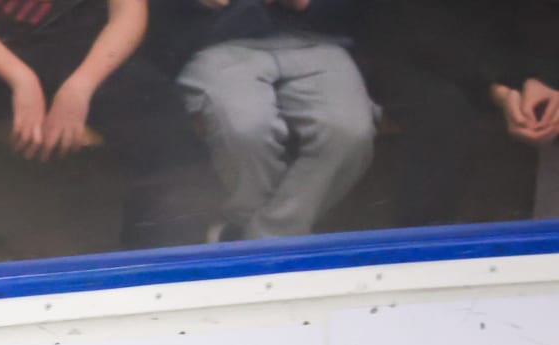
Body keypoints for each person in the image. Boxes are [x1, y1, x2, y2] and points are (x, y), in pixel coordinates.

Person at [0, 0, 217, 268]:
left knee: (159, 110)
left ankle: (154, 262)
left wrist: (81, 86)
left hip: (84, 53)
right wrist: (22, 79)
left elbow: (129, 15)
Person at [152, 0, 374, 240]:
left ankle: (251, 237)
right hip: (214, 42)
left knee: (350, 132)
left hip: (319, 38)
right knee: (246, 130)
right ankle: (274, 241)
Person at [362, 0, 559, 227]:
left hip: (524, 52)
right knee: (443, 116)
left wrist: (549, 79)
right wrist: (497, 88)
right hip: (416, 47)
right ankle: (427, 244)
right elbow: (416, 29)